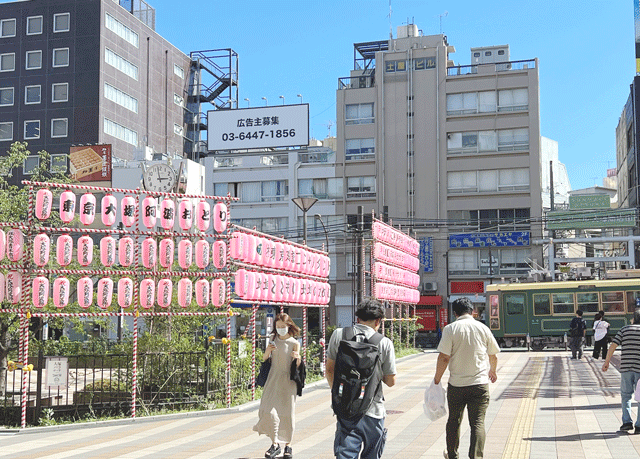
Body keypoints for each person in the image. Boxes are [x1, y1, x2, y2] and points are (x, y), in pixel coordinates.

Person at [326, 299, 396, 459]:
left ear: (357, 318)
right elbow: (391, 381)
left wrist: (339, 393)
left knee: (345, 454)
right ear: (379, 321)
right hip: (374, 410)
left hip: (346, 409)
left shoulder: (339, 335)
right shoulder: (384, 343)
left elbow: (329, 370)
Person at [434, 297, 500, 459]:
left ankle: (452, 455)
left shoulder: (450, 329)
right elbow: (493, 355)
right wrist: (493, 371)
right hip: (479, 385)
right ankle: (476, 456)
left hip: (456, 385)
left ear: (455, 313)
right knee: (477, 423)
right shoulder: (482, 328)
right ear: (472, 312)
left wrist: (437, 379)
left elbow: (444, 357)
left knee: (454, 420)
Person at [253, 313, 301, 459]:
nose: (280, 329)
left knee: (287, 413)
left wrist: (297, 358)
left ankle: (288, 445)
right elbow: (265, 359)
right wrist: (267, 352)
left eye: (282, 326)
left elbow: (297, 366)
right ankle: (275, 444)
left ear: (289, 326)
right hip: (273, 379)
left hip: (288, 381)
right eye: (277, 327)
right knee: (268, 410)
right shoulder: (273, 340)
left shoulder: (294, 343)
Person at [602, 308, 640, 433]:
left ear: (634, 319)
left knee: (626, 396)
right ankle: (639, 425)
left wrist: (607, 362)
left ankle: (627, 422)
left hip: (626, 368)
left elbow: (613, 346)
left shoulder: (624, 329)